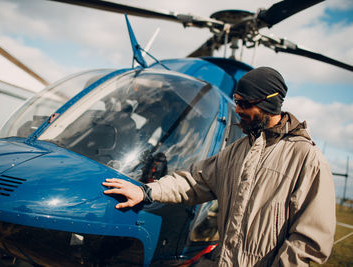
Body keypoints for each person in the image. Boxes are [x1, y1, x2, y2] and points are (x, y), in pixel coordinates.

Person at [103, 67, 336, 266]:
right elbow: (194, 181)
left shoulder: (306, 158)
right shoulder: (236, 151)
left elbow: (309, 241)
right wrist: (147, 191)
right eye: (236, 101)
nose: (238, 110)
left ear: (269, 104)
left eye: (244, 103)